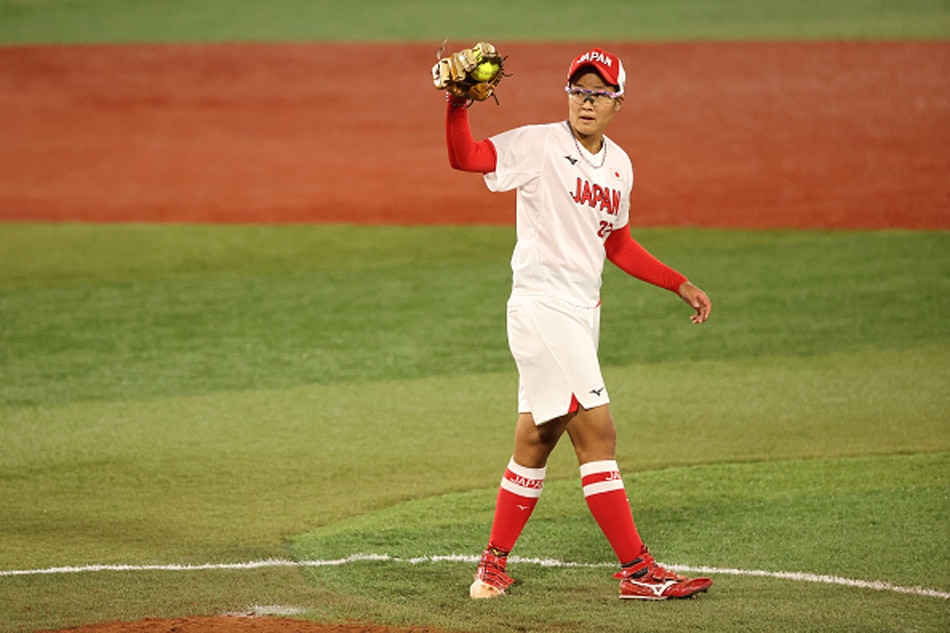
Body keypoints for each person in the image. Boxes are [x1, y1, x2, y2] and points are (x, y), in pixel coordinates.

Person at [441, 46, 713, 601]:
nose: (587, 102)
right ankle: (637, 570)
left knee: (538, 438)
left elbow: (618, 243)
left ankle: (491, 568)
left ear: (618, 102)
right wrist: (456, 106)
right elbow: (466, 158)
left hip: (581, 314)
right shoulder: (539, 144)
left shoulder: (620, 164)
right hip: (542, 308)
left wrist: (676, 281)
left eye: (599, 93)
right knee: (599, 431)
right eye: (578, 91)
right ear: (567, 94)